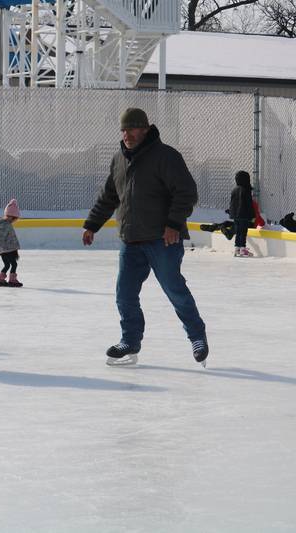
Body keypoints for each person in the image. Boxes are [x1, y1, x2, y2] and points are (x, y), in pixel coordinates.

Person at [82, 108, 209, 367]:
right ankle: (130, 340)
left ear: (146, 129)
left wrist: (173, 224)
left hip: (163, 240)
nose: (127, 134)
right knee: (124, 294)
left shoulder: (166, 156)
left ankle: (197, 337)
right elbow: (110, 196)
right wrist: (92, 224)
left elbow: (186, 192)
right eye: (123, 129)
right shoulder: (119, 159)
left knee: (175, 290)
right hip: (131, 240)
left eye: (132, 128)